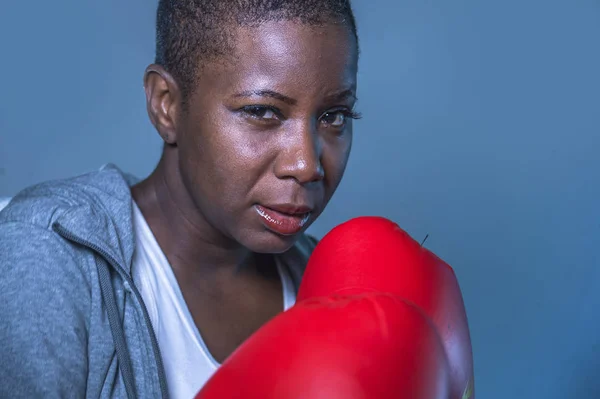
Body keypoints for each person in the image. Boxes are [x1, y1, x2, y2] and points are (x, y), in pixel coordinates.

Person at [0, 0, 360, 398]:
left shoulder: (340, 291)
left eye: (334, 116)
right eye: (262, 111)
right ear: (166, 104)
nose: (307, 164)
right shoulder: (47, 256)